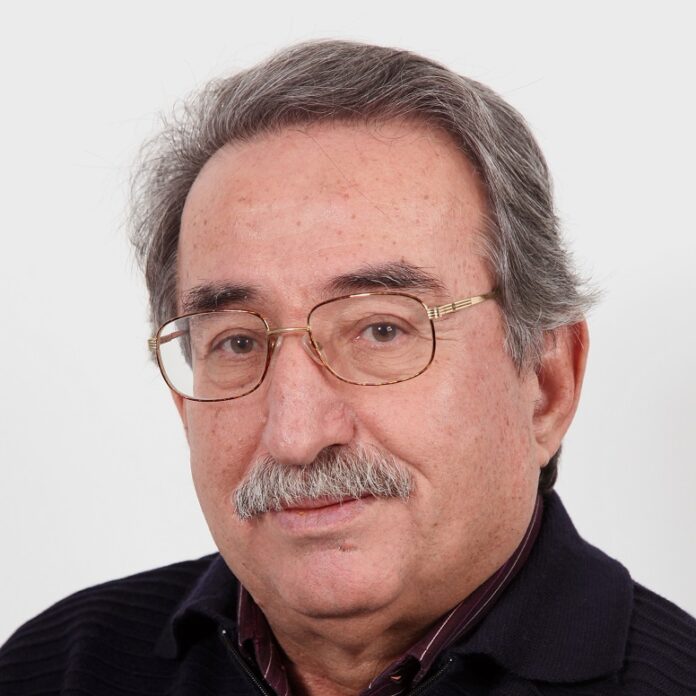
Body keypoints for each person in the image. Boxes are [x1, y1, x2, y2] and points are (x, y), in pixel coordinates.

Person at [1, 39, 694, 696]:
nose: (296, 435)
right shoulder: (59, 669)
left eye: (381, 330)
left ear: (546, 385)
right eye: (237, 343)